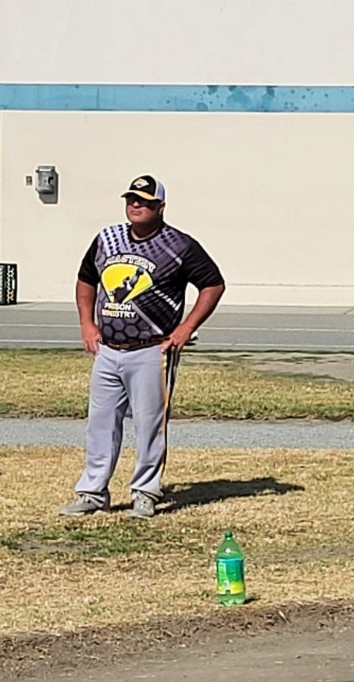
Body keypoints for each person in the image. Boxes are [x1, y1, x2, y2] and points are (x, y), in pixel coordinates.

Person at [59, 175, 225, 519]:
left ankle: (145, 491)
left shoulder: (178, 245)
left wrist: (187, 328)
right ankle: (92, 491)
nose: (136, 205)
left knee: (150, 424)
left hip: (152, 349)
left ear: (160, 207)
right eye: (131, 199)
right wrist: (87, 323)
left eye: (145, 201)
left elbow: (213, 284)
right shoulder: (107, 238)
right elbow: (86, 279)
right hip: (108, 348)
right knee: (100, 423)